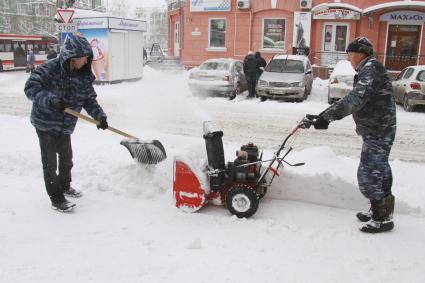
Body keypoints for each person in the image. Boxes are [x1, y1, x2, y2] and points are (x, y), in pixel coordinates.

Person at [309, 37, 396, 233]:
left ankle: (381, 219)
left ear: (360, 53)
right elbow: (358, 98)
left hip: (378, 130)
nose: (349, 58)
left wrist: (328, 117)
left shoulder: (371, 68)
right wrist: (323, 115)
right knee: (380, 171)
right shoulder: (369, 68)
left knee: (370, 173)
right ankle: (380, 212)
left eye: (350, 54)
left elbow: (357, 98)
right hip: (377, 129)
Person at [24, 34, 109, 212]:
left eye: (87, 58)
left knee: (66, 159)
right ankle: (56, 197)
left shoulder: (84, 75)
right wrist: (51, 100)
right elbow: (30, 87)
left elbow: (89, 100)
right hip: (45, 122)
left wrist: (99, 117)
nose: (86, 61)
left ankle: (65, 186)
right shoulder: (50, 69)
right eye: (84, 57)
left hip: (65, 125)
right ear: (72, 56)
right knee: (50, 162)